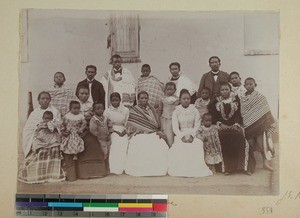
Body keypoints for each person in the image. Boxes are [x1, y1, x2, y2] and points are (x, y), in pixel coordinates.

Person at [19, 91, 65, 184]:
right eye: (42, 99)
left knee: (54, 149)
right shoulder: (34, 113)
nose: (45, 100)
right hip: (39, 137)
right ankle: (37, 174)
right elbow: (29, 129)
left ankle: (52, 174)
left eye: (47, 99)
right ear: (39, 101)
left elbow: (59, 125)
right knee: (40, 149)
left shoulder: (55, 111)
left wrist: (52, 126)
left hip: (52, 136)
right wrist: (39, 127)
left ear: (50, 100)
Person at [208, 83, 251, 175]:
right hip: (221, 126)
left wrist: (236, 124)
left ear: (230, 90)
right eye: (222, 90)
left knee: (239, 135)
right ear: (219, 91)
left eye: (226, 89)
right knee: (222, 137)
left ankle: (243, 167)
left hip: (234, 125)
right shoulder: (215, 102)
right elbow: (213, 116)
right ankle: (228, 168)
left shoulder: (236, 100)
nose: (224, 91)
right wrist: (221, 124)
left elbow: (239, 114)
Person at [168, 89, 212, 177]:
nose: (186, 100)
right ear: (180, 100)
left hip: (193, 133)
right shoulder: (176, 111)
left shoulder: (194, 110)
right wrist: (182, 137)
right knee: (179, 145)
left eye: (188, 98)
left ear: (190, 100)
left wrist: (192, 135)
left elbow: (197, 125)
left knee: (197, 143)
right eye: (184, 99)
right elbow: (175, 127)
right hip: (181, 133)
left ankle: (196, 169)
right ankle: (182, 169)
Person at [125, 91, 169, 176]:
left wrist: (154, 131)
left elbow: (156, 123)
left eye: (146, 98)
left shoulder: (151, 108)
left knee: (159, 144)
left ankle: (156, 169)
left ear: (148, 99)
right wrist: (140, 130)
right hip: (139, 133)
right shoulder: (134, 110)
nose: (144, 100)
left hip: (153, 132)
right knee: (140, 145)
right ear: (138, 99)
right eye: (142, 98)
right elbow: (131, 125)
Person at [62, 105, 107, 181]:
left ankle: (96, 171)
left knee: (93, 143)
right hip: (76, 134)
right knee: (81, 144)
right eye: (82, 93)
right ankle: (80, 172)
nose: (84, 96)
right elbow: (65, 124)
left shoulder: (90, 106)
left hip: (88, 131)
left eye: (86, 93)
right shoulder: (72, 110)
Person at [240, 77, 276, 172]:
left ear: (255, 85)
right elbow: (243, 112)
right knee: (250, 144)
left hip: (260, 124)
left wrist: (267, 123)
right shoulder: (242, 98)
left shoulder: (260, 97)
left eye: (251, 84)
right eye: (247, 84)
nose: (249, 86)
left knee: (262, 144)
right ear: (244, 86)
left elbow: (265, 110)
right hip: (249, 125)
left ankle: (265, 163)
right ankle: (252, 164)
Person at [104, 92, 129, 174]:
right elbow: (105, 124)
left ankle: (122, 166)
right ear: (110, 101)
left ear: (120, 100)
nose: (115, 102)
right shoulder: (107, 111)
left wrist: (125, 131)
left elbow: (128, 122)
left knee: (124, 143)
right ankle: (113, 168)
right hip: (112, 130)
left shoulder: (125, 110)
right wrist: (113, 131)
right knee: (114, 143)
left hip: (123, 129)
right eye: (113, 100)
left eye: (116, 100)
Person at [90, 102, 113, 173]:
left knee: (109, 152)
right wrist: (99, 135)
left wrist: (109, 133)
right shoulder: (94, 119)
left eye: (102, 109)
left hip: (107, 138)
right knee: (103, 153)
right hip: (100, 139)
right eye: (98, 109)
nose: (100, 110)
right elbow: (93, 129)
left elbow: (110, 124)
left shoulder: (105, 118)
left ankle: (107, 167)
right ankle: (102, 169)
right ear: (93, 111)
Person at [158, 82, 179, 147]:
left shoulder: (177, 99)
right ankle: (164, 149)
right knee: (164, 134)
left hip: (173, 119)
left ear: (175, 90)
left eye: (171, 89)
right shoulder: (162, 99)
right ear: (165, 90)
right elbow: (160, 110)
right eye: (168, 89)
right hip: (164, 119)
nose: (169, 91)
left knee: (171, 135)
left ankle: (171, 148)